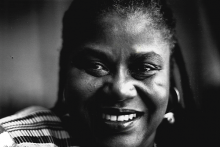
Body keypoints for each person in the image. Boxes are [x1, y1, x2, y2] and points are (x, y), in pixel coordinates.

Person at [0, 0, 196, 147]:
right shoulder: (15, 141)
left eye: (144, 68)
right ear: (66, 72)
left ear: (170, 83)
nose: (120, 90)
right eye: (95, 65)